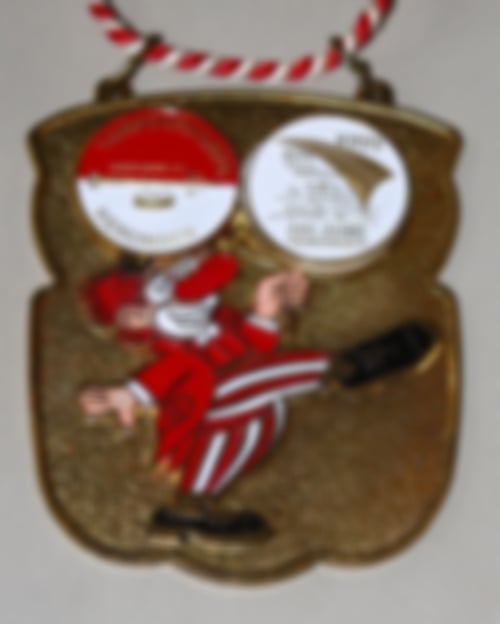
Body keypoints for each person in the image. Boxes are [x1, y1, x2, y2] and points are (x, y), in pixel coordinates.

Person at [79, 250, 433, 539]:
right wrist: (129, 393)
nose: (162, 310)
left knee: (250, 418)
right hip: (206, 402)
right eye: (140, 313)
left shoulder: (216, 320)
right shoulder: (173, 350)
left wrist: (266, 312)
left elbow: (255, 349)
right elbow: (171, 373)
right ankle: (342, 368)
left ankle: (191, 505)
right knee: (244, 382)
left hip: (241, 410)